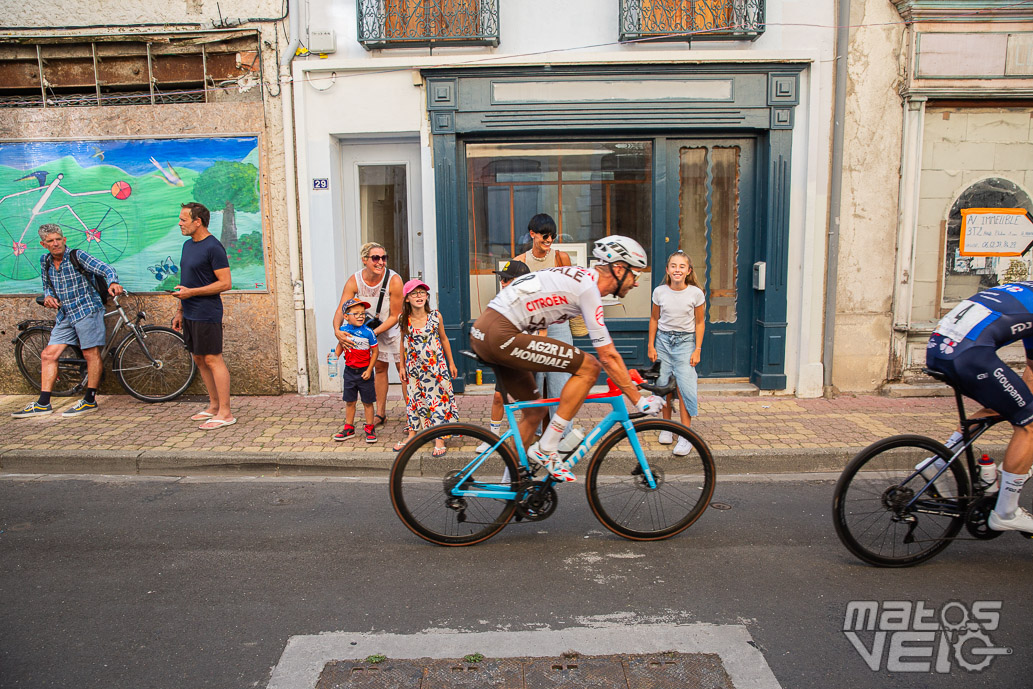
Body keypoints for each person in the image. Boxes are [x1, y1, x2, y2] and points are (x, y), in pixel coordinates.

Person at [470, 235, 665, 482]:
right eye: (634, 275)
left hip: (486, 330)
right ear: (618, 269)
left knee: (535, 412)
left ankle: (511, 485)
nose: (636, 283)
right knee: (589, 368)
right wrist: (639, 401)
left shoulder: (581, 279)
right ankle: (547, 447)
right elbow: (607, 355)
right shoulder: (588, 288)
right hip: (500, 333)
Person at [926, 281, 1033, 532]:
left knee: (1005, 403)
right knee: (1029, 424)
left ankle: (937, 463)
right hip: (970, 356)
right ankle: (1006, 513)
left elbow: (1031, 370)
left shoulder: (1020, 288)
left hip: (939, 350)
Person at [11, 224, 123, 418]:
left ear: (64, 239)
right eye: (50, 241)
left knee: (91, 354)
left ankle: (89, 400)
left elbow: (106, 268)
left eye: (58, 239)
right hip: (65, 314)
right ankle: (43, 403)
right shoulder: (45, 260)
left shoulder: (77, 256)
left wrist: (113, 281)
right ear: (43, 244)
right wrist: (48, 297)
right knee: (48, 355)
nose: (56, 244)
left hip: (87, 310)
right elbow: (47, 285)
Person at [171, 202, 234, 430]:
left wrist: (192, 293)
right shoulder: (187, 246)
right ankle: (214, 406)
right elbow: (185, 282)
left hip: (207, 312)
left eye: (183, 220)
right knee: (199, 358)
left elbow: (225, 283)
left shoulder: (213, 247)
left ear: (198, 222)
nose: (179, 223)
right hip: (189, 312)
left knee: (212, 358)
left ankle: (226, 413)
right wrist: (179, 310)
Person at [334, 242, 404, 429]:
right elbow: (342, 309)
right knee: (379, 368)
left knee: (402, 371)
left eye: (383, 258)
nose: (381, 262)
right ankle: (380, 413)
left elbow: (396, 315)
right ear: (365, 260)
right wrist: (337, 330)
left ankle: (412, 415)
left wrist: (370, 333)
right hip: (369, 329)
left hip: (392, 329)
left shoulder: (394, 280)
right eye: (375, 258)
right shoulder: (355, 280)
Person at [647, 250, 706, 455]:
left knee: (684, 387)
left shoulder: (696, 294)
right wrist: (651, 345)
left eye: (682, 266)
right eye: (673, 266)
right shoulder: (659, 292)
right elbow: (654, 319)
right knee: (663, 385)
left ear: (688, 271)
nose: (677, 270)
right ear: (667, 270)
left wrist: (697, 349)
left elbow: (700, 322)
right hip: (663, 341)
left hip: (685, 343)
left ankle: (685, 435)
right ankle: (666, 427)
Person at [514, 214, 574, 406]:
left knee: (561, 379)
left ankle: (562, 433)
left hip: (558, 325)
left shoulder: (560, 258)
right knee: (535, 382)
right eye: (544, 236)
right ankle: (537, 432)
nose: (549, 240)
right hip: (532, 326)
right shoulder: (520, 261)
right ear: (532, 234)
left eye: (552, 236)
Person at [394, 280, 460, 455]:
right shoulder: (403, 319)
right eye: (414, 293)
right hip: (414, 369)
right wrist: (401, 366)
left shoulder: (435, 316)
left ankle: (440, 439)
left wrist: (451, 363)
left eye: (422, 293)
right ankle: (412, 434)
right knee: (414, 401)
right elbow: (402, 342)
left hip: (436, 367)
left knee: (438, 401)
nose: (419, 296)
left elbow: (444, 339)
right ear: (407, 298)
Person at [475, 259, 531, 451]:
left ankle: (525, 439)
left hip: (525, 356)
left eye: (507, 279)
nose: (503, 283)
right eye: (502, 279)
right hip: (505, 355)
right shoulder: (501, 301)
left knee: (528, 402)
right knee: (499, 397)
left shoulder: (532, 302)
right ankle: (492, 439)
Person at [332, 298, 379, 443]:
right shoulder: (343, 331)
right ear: (346, 316)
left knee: (367, 402)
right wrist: (334, 357)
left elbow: (375, 352)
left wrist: (370, 369)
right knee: (350, 401)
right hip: (350, 372)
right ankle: (349, 428)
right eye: (356, 313)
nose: (361, 316)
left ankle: (370, 428)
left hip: (365, 372)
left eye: (363, 313)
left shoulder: (368, 332)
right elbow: (340, 346)